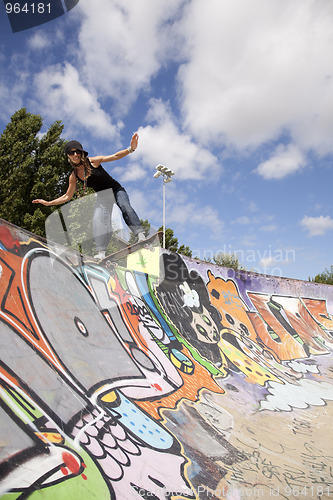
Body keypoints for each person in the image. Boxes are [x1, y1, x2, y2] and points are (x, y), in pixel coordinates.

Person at [33, 133, 145, 259]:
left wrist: (131, 149)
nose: (75, 155)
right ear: (68, 156)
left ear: (81, 153)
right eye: (71, 152)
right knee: (98, 219)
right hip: (103, 196)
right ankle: (101, 253)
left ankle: (140, 235)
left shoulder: (92, 161)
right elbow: (66, 196)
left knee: (125, 206)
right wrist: (48, 203)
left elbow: (114, 156)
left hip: (116, 190)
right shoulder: (73, 176)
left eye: (77, 152)